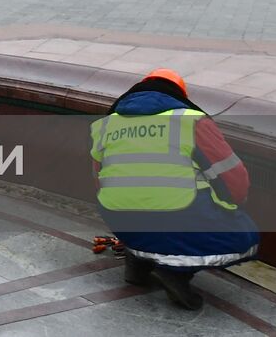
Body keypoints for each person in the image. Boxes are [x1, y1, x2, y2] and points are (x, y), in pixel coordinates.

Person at [91, 69, 259, 310]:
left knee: (140, 212)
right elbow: (232, 176)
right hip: (179, 214)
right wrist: (232, 208)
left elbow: (99, 180)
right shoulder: (190, 120)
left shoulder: (106, 125)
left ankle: (137, 261)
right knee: (245, 237)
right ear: (180, 94)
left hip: (119, 217)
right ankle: (177, 272)